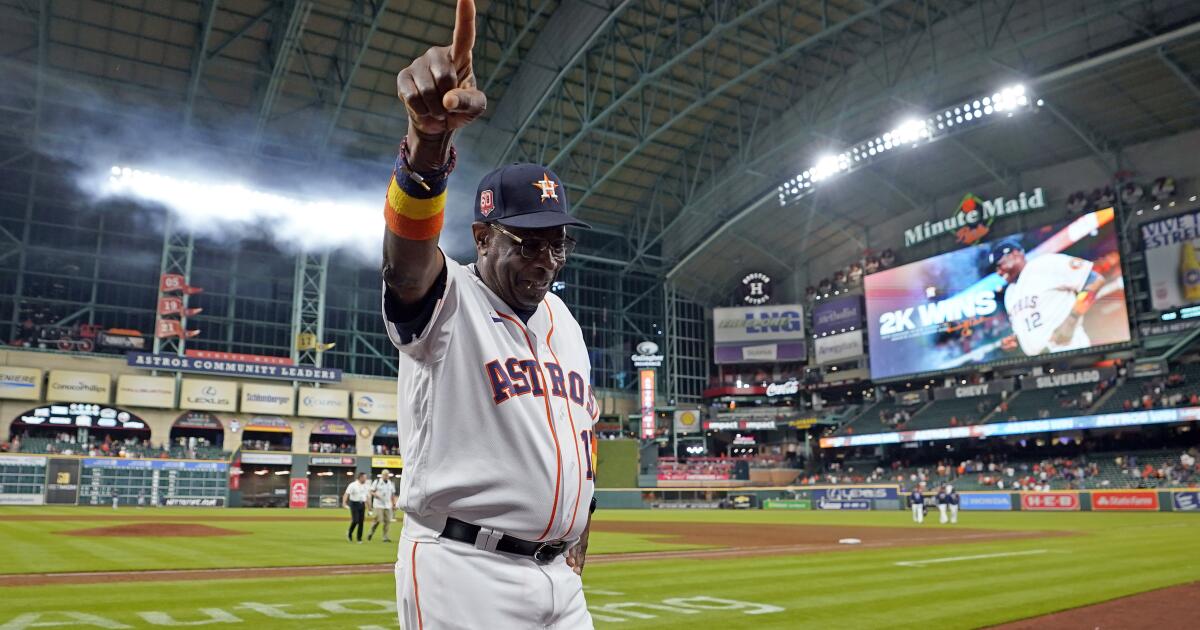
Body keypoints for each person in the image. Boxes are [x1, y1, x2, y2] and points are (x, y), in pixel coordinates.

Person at [382, 1, 598, 626]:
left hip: (560, 578)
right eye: (527, 240)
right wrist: (427, 147)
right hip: (463, 571)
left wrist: (579, 530)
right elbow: (406, 264)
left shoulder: (566, 324)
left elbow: (579, 440)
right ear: (481, 237)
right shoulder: (448, 301)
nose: (547, 257)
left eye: (557, 241)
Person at [991, 237, 1106, 356]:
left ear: (1015, 254)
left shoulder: (1045, 264)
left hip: (1069, 350)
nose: (998, 272)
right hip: (1040, 363)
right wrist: (1016, 340)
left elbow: (1095, 280)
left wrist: (1071, 320)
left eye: (1000, 265)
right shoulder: (1009, 293)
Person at [368, 470, 398, 542]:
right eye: (385, 475)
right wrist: (376, 495)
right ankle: (371, 533)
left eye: (387, 475)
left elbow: (392, 495)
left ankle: (385, 537)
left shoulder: (391, 483)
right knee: (378, 520)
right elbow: (371, 491)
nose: (386, 476)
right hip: (378, 504)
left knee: (387, 521)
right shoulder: (377, 482)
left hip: (388, 505)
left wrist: (394, 504)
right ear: (382, 475)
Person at [343, 472, 370, 543]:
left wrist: (369, 508)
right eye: (364, 477)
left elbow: (367, 497)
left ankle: (359, 538)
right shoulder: (353, 485)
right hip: (354, 504)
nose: (366, 479)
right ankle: (349, 533)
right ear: (360, 477)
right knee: (355, 520)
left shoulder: (366, 486)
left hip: (362, 504)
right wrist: (344, 503)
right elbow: (346, 494)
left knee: (361, 522)